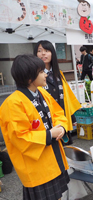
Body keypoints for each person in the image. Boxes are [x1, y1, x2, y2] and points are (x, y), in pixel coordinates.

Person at [0, 54, 69, 200]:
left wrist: (62, 127)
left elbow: (58, 113)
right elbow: (19, 137)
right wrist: (50, 134)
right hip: (37, 167)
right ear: (29, 78)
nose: (45, 75)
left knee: (58, 196)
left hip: (53, 159)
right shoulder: (12, 103)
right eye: (41, 72)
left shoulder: (42, 92)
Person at [34, 40, 81, 145]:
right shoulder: (34, 77)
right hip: (47, 121)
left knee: (65, 152)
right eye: (39, 51)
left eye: (47, 50)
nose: (43, 54)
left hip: (61, 119)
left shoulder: (58, 74)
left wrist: (71, 117)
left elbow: (67, 96)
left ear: (52, 54)